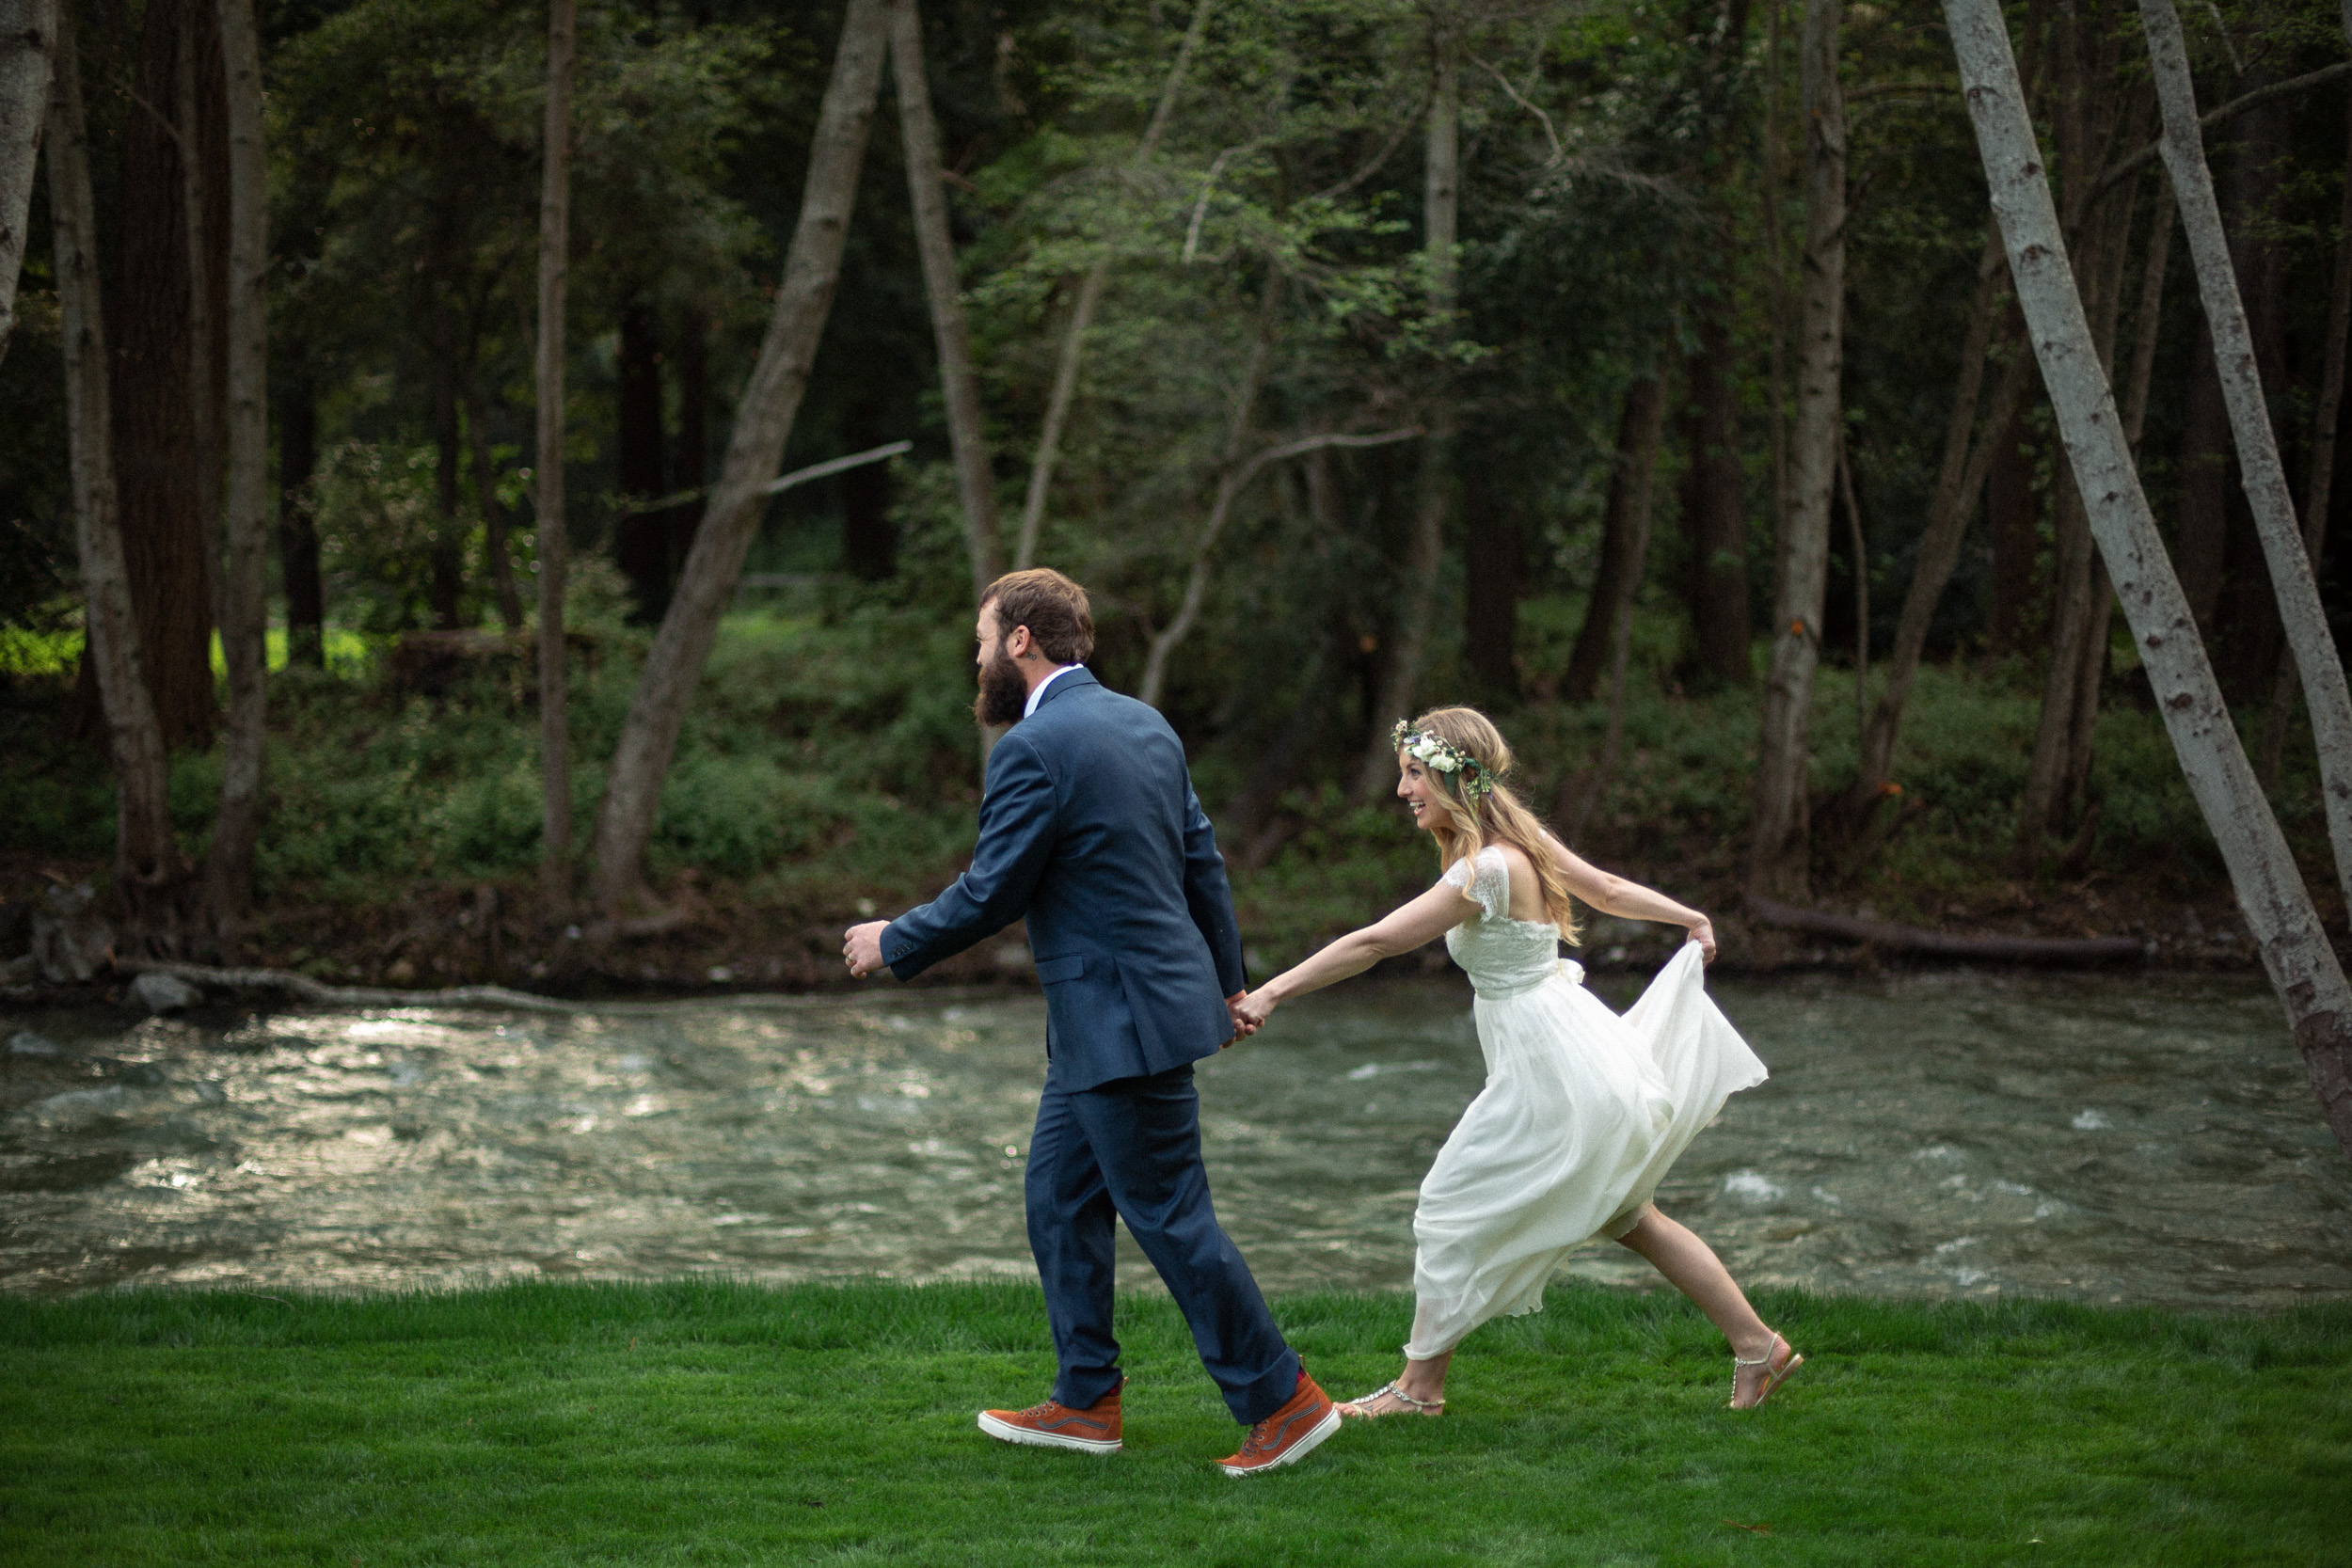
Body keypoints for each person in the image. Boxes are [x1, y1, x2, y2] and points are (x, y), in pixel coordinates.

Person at [841, 568, 1341, 1477]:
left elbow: (995, 889)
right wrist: (1226, 983)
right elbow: (1206, 866)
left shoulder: (1031, 753)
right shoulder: (1145, 723)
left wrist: (894, 939)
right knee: (1059, 1199)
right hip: (1111, 1022)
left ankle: (1283, 1401)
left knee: (1173, 1218)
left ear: (1022, 641)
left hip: (1119, 1021)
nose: (980, 656)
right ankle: (1085, 1401)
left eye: (985, 638)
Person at [1234, 706, 1800, 1418]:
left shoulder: (1487, 869)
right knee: (1633, 1218)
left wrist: (1273, 992)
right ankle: (1759, 1346)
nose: (1402, 789)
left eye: (1414, 774)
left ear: (1452, 776)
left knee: (1446, 1205)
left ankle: (1418, 1391)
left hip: (1556, 1070)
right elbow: (1610, 892)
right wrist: (1688, 915)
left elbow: (1377, 942)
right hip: (1574, 1053)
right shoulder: (1519, 845)